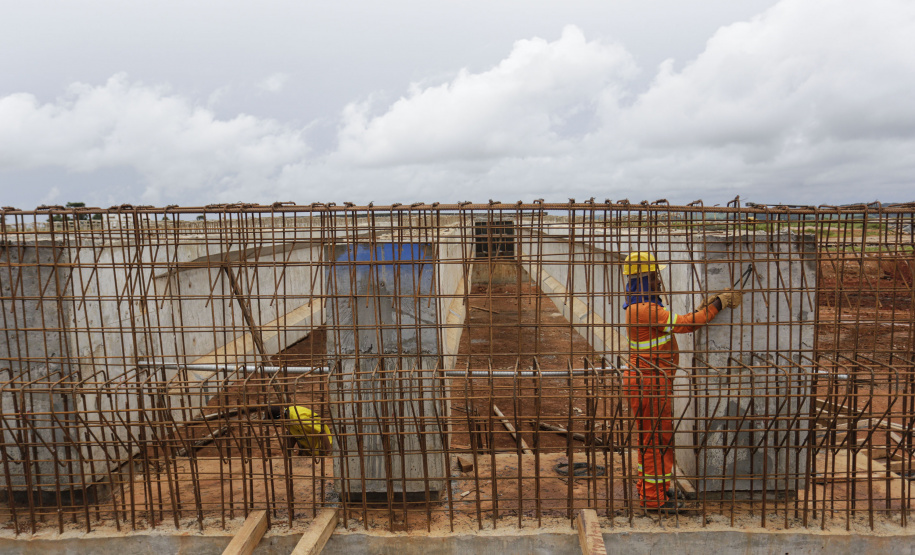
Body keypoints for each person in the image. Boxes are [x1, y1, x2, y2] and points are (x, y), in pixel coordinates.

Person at [621, 252, 742, 513]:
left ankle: (655, 489)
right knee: (655, 441)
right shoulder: (646, 309)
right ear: (643, 280)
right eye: (654, 277)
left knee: (655, 440)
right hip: (649, 383)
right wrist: (717, 305)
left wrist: (703, 308)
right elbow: (686, 325)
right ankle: (654, 500)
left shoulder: (640, 307)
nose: (659, 282)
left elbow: (679, 321)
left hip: (650, 380)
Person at [266, 405, 333, 457]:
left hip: (321, 449)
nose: (274, 426)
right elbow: (293, 433)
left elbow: (321, 432)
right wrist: (288, 451)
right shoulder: (286, 416)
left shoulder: (300, 420)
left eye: (274, 422)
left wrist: (328, 452)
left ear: (280, 417)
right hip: (309, 448)